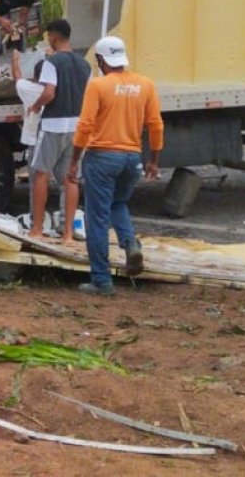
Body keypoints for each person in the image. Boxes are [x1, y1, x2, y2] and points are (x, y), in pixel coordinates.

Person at [66, 36, 164, 296]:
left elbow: (85, 126)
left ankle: (101, 280)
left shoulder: (98, 86)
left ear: (100, 60)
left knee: (96, 219)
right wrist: (153, 160)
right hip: (132, 159)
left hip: (101, 158)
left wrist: (74, 160)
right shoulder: (145, 84)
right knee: (117, 203)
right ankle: (130, 243)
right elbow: (155, 124)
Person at [27, 19, 91, 242]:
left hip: (53, 125)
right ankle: (68, 234)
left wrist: (35, 106)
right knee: (70, 179)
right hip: (77, 126)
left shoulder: (52, 62)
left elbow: (49, 93)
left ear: (53, 37)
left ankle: (36, 229)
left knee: (41, 175)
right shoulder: (85, 64)